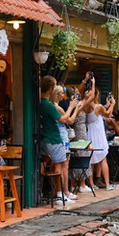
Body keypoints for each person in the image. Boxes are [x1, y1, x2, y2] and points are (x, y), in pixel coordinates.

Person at [40, 75, 84, 203]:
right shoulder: (48, 104)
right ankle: (59, 194)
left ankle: (47, 192)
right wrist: (72, 107)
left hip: (45, 138)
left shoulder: (42, 103)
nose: (62, 95)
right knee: (59, 165)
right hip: (53, 138)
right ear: (52, 89)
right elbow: (65, 120)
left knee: (54, 164)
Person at [85, 89, 116, 191]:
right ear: (96, 95)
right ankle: (107, 184)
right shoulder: (98, 107)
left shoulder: (86, 106)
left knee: (91, 159)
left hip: (90, 133)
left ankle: (92, 183)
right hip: (98, 134)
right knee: (103, 159)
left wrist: (106, 105)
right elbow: (107, 114)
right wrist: (112, 104)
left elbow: (99, 112)